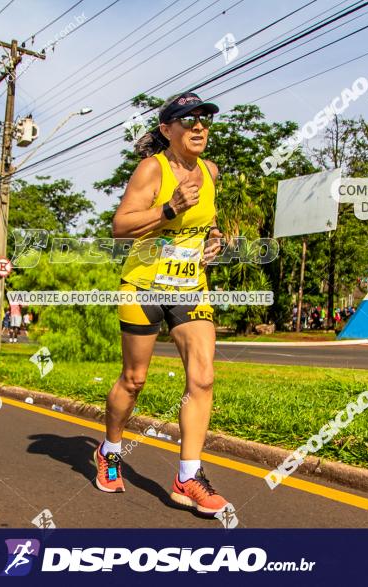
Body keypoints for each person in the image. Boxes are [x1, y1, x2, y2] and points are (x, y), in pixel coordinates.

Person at [94, 92, 229, 516]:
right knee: (134, 380)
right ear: (167, 130)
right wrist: (169, 207)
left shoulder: (210, 172)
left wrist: (213, 242)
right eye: (188, 122)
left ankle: (188, 476)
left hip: (190, 287)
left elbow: (206, 222)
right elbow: (119, 226)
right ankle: (110, 450)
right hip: (144, 286)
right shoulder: (151, 170)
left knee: (203, 377)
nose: (199, 128)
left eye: (204, 120)